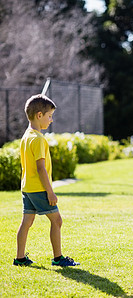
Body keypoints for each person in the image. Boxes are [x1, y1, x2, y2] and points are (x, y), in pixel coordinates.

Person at [13, 94, 80, 267]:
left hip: (27, 187)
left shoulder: (26, 136)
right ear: (39, 115)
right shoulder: (39, 139)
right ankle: (58, 258)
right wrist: (50, 191)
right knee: (57, 220)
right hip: (38, 188)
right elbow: (41, 168)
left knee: (26, 222)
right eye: (49, 116)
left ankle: (20, 258)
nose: (51, 120)